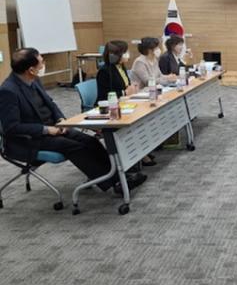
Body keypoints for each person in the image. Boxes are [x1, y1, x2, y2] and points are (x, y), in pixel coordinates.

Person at [0, 48, 146, 195]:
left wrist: (61, 119)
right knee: (75, 147)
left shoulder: (34, 80)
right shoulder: (9, 91)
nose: (43, 65)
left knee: (90, 141)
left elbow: (51, 104)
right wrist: (47, 130)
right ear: (31, 70)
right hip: (29, 139)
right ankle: (115, 183)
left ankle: (119, 176)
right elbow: (12, 127)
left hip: (54, 128)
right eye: (41, 62)